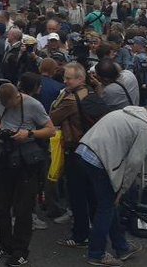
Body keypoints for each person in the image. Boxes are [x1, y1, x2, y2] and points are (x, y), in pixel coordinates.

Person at [76, 104, 147, 266]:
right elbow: (135, 162)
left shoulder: (126, 112)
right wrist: (123, 188)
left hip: (84, 152)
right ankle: (96, 254)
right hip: (101, 161)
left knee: (108, 205)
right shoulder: (145, 126)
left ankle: (122, 247)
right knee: (106, 207)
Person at [0, 83, 55, 267]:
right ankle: (5, 244)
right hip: (4, 159)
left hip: (26, 162)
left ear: (18, 96)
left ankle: (20, 251)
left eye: (12, 105)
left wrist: (29, 133)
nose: (9, 108)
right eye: (5, 105)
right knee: (0, 205)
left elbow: (51, 130)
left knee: (23, 209)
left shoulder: (33, 105)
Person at [51, 62, 95, 249]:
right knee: (91, 193)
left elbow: (52, 117)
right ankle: (93, 229)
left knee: (76, 194)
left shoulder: (70, 100)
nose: (65, 81)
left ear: (80, 78)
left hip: (75, 148)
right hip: (91, 149)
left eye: (69, 78)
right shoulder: (92, 93)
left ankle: (80, 234)